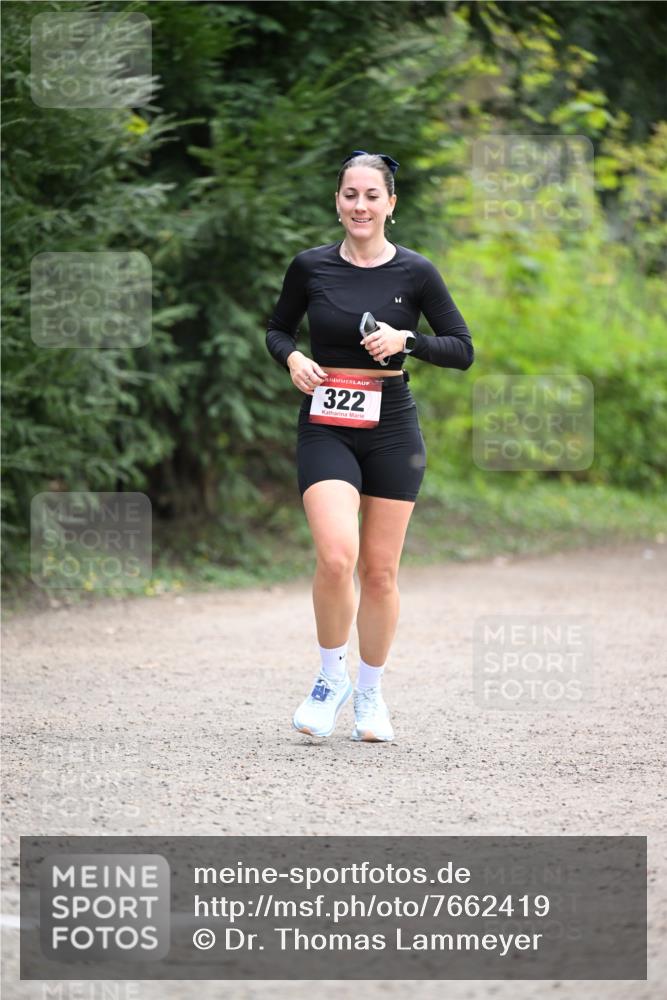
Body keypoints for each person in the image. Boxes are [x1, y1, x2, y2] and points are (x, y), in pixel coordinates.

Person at [265, 149, 474, 742]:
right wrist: (294, 358)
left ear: (390, 204)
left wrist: (409, 341)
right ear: (337, 202)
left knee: (379, 572)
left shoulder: (416, 272)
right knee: (336, 556)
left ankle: (370, 693)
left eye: (371, 196)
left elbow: (462, 349)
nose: (360, 205)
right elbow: (278, 329)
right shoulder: (310, 267)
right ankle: (330, 679)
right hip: (327, 422)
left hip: (392, 428)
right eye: (350, 195)